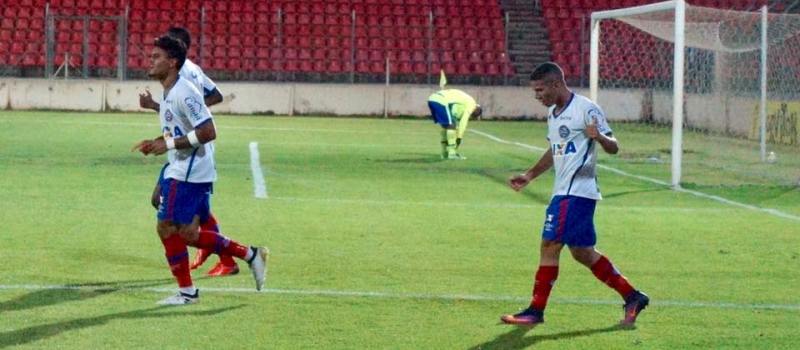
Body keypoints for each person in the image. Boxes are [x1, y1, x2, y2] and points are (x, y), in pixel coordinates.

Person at [500, 62, 649, 326]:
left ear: (556, 84)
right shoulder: (554, 114)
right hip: (566, 191)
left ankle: (535, 311)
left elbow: (613, 147)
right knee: (582, 253)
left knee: (549, 245)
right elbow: (555, 150)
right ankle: (633, 295)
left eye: (540, 90)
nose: (537, 96)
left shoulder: (585, 108)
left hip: (577, 192)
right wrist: (530, 175)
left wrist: (600, 136)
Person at [132, 35, 268, 305]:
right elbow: (180, 128)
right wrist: (160, 142)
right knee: (187, 234)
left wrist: (169, 143)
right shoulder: (169, 91)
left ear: (172, 62)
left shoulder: (184, 91)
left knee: (167, 227)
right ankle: (251, 255)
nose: (151, 60)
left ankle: (188, 292)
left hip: (189, 170)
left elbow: (208, 131)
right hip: (183, 165)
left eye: (157, 56)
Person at [139, 27, 235, 277]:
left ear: (176, 53)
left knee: (172, 223)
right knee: (170, 206)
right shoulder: (183, 74)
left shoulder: (186, 74)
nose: (155, 57)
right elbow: (181, 110)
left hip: (191, 155)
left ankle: (213, 255)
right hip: (181, 152)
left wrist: (177, 134)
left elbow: (198, 112)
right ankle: (219, 253)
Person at [426, 89, 482, 159]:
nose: (472, 117)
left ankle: (444, 153)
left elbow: (454, 112)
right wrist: (459, 137)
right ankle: (452, 153)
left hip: (433, 99)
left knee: (446, 126)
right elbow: (463, 121)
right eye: (474, 116)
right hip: (441, 100)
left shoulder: (465, 102)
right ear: (477, 109)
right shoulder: (472, 104)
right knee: (451, 125)